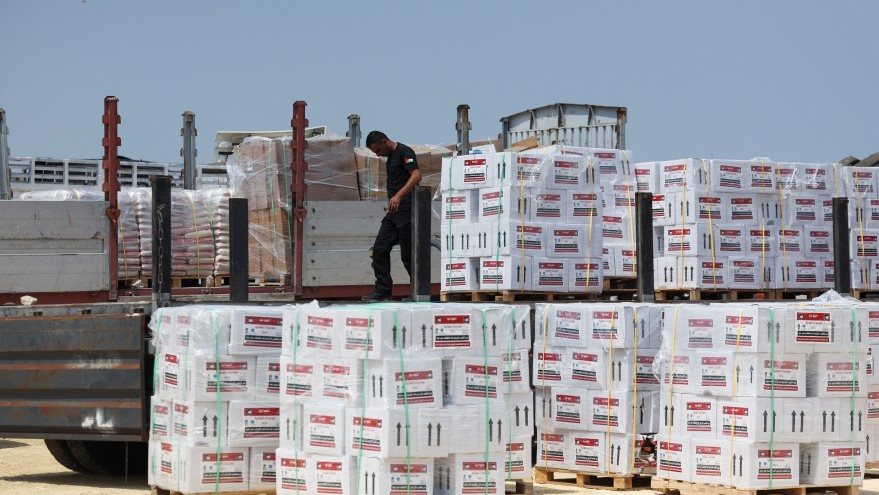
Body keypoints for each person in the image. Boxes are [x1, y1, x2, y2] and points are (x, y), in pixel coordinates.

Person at [361, 131, 422, 302]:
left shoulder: (405, 152)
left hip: (407, 212)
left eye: (378, 150)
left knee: (408, 256)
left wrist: (398, 196)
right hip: (394, 213)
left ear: (384, 141)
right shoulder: (390, 158)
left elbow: (416, 176)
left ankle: (418, 292)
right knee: (379, 250)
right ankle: (383, 291)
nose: (378, 155)